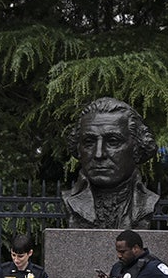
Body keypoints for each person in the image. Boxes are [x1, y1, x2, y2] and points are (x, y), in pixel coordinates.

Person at [62, 97, 160, 229]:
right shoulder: (69, 201)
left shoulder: (148, 202)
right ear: (78, 149)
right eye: (89, 142)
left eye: (113, 142)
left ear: (137, 148)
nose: (99, 154)